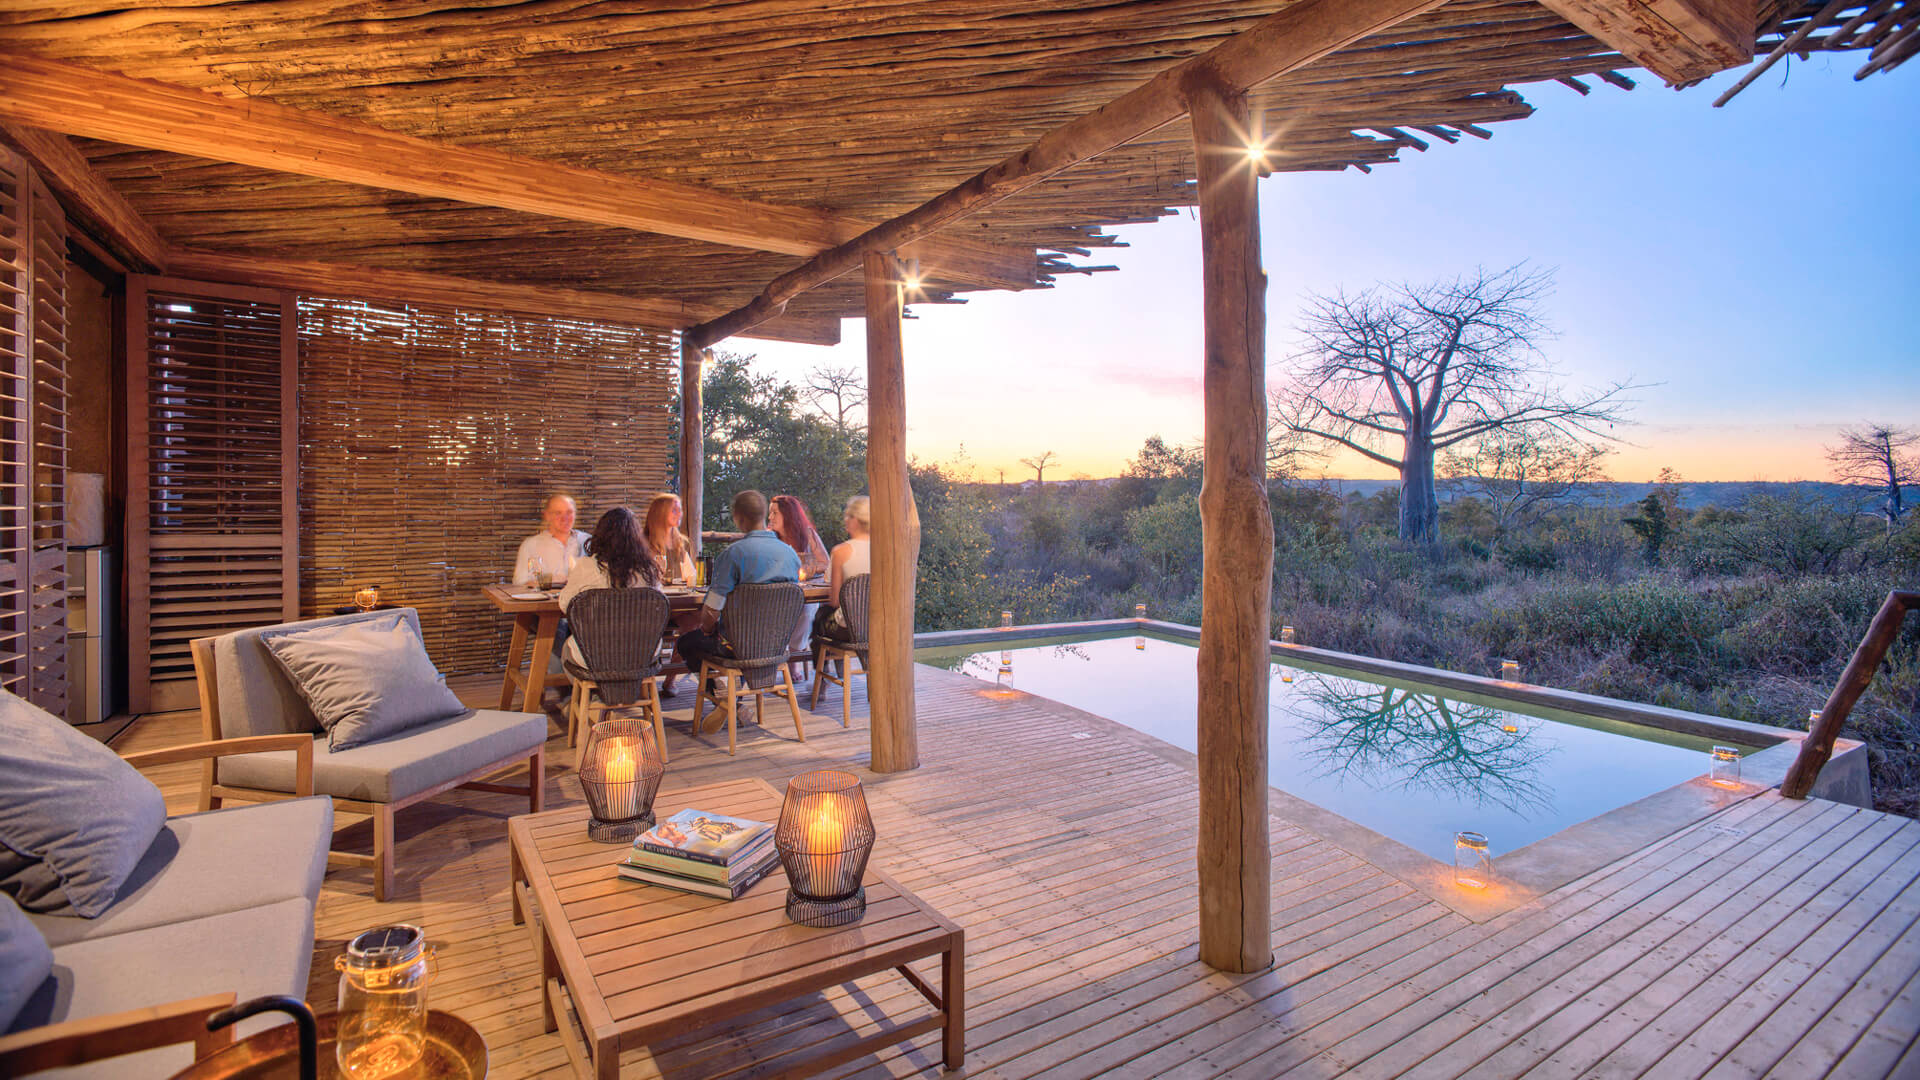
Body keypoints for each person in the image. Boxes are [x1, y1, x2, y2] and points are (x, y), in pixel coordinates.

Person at [675, 491, 801, 692]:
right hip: (776, 646)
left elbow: (712, 610)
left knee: (687, 643)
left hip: (735, 648)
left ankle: (723, 696)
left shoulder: (733, 554)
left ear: (739, 518)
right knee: (734, 639)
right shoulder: (790, 554)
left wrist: (707, 629)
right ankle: (731, 696)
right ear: (763, 516)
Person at [557, 507, 661, 666]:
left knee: (566, 649)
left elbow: (566, 604)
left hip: (595, 655)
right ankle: (630, 687)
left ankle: (596, 689)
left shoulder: (587, 566)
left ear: (601, 535)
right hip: (641, 655)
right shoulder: (648, 570)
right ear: (636, 538)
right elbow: (658, 607)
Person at [811, 495, 872, 651]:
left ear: (856, 520)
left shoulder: (841, 552)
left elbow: (835, 601)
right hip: (879, 627)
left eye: (848, 516)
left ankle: (823, 671)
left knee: (820, 619)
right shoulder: (885, 550)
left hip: (849, 630)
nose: (845, 520)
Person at [512, 492, 588, 586]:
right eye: (558, 513)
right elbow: (519, 582)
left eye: (569, 512)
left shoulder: (588, 541)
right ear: (547, 516)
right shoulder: (531, 545)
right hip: (543, 600)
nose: (565, 518)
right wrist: (551, 580)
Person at [768, 495, 830, 579]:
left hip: (807, 588)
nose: (770, 517)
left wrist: (809, 568)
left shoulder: (807, 533)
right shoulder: (768, 538)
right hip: (780, 589)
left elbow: (826, 564)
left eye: (775, 513)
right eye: (770, 513)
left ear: (788, 514)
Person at [643, 493, 699, 584]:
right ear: (660, 513)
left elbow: (690, 575)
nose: (679, 514)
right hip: (653, 596)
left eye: (680, 510)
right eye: (674, 510)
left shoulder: (683, 542)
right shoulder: (644, 542)